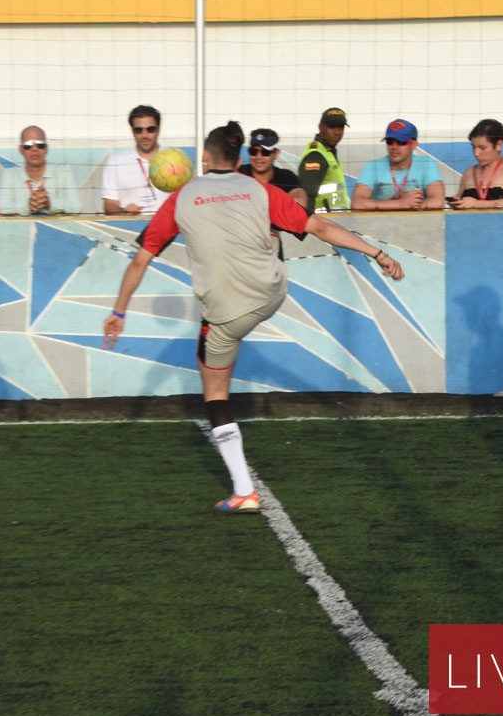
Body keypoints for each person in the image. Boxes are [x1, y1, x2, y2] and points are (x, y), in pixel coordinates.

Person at [102, 121, 404, 513]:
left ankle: (244, 490)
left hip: (227, 311)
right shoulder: (260, 189)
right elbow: (320, 226)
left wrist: (118, 311)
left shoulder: (180, 199)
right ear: (240, 158)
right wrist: (377, 253)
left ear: (205, 159)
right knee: (269, 237)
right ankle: (265, 249)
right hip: (273, 290)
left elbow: (140, 260)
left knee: (214, 391)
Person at [352, 119, 446, 211]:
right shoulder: (372, 167)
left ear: (414, 145)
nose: (394, 147)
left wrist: (407, 206)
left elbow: (438, 202)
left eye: (401, 142)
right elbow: (357, 203)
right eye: (389, 141)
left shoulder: (426, 164)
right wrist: (400, 204)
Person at [448, 118, 503, 210]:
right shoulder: (469, 172)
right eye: (473, 147)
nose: (476, 153)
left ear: (499, 145)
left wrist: (478, 204)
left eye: (482, 148)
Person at [0, 125, 80, 215]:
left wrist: (50, 203)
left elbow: (77, 208)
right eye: (28, 145)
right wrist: (27, 205)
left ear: (46, 148)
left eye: (40, 144)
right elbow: (0, 210)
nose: (34, 149)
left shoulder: (65, 172)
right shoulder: (9, 174)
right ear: (21, 149)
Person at [102, 104, 167, 214]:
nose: (144, 135)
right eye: (138, 130)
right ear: (132, 131)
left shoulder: (176, 159)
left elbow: (187, 200)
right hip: (131, 227)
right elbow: (109, 205)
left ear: (158, 130)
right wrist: (124, 211)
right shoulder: (116, 161)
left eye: (150, 129)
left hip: (167, 227)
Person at [297, 107, 351, 211]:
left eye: (341, 128)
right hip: (322, 221)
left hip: (335, 219)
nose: (337, 132)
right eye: (332, 127)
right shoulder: (316, 155)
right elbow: (307, 195)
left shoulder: (328, 152)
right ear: (320, 127)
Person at [237, 128, 306, 206]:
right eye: (253, 151)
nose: (258, 157)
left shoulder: (287, 177)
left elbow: (300, 202)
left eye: (265, 152)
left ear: (276, 154)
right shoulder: (238, 174)